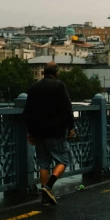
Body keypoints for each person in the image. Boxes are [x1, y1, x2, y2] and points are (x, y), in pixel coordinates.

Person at [23, 62, 75, 206]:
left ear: (43, 72)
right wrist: (71, 127)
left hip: (38, 131)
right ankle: (48, 187)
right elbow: (67, 107)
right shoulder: (59, 85)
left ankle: (45, 197)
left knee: (43, 163)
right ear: (56, 73)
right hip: (56, 131)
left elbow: (28, 111)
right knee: (64, 160)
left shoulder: (34, 87)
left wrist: (30, 132)